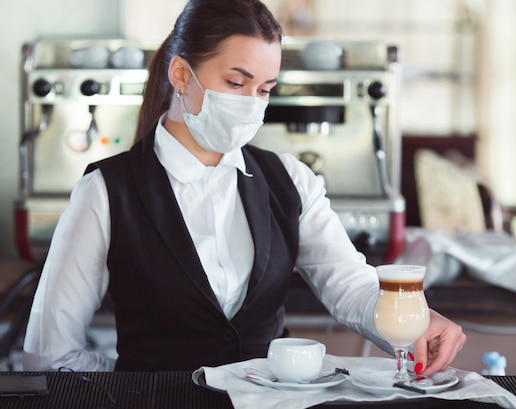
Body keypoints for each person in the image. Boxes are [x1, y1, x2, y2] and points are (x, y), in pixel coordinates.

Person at [23, 0, 465, 373]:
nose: (250, 104)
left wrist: (415, 324)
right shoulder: (105, 191)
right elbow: (51, 353)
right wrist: (132, 388)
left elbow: (350, 285)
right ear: (181, 75)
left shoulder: (290, 180)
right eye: (235, 82)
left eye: (264, 89)